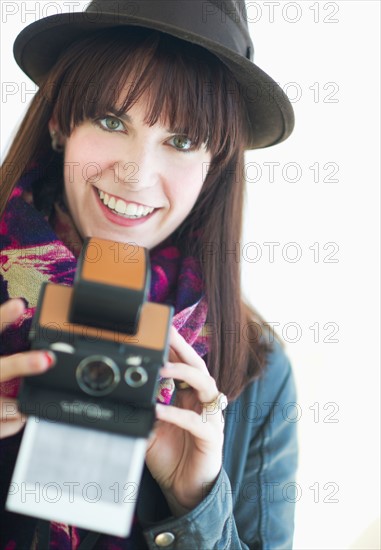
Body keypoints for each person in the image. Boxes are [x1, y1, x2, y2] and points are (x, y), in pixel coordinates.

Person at [0, 1, 298, 548]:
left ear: (214, 167)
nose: (136, 174)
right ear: (62, 122)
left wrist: (198, 506)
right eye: (112, 121)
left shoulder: (258, 370)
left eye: (181, 141)